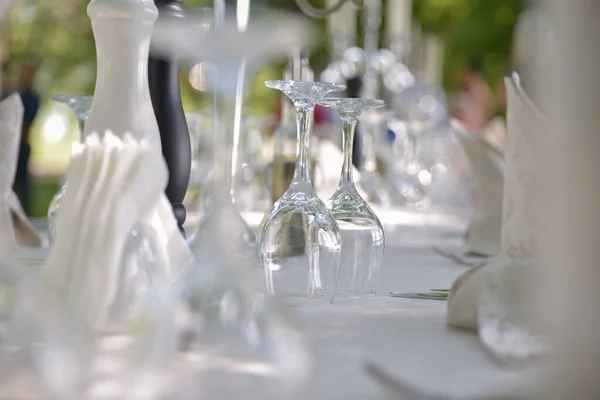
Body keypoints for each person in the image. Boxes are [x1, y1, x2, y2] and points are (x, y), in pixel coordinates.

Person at [13, 63, 40, 215]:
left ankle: (24, 215)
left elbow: (26, 125)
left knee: (22, 184)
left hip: (22, 146)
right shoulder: (17, 93)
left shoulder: (31, 98)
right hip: (15, 143)